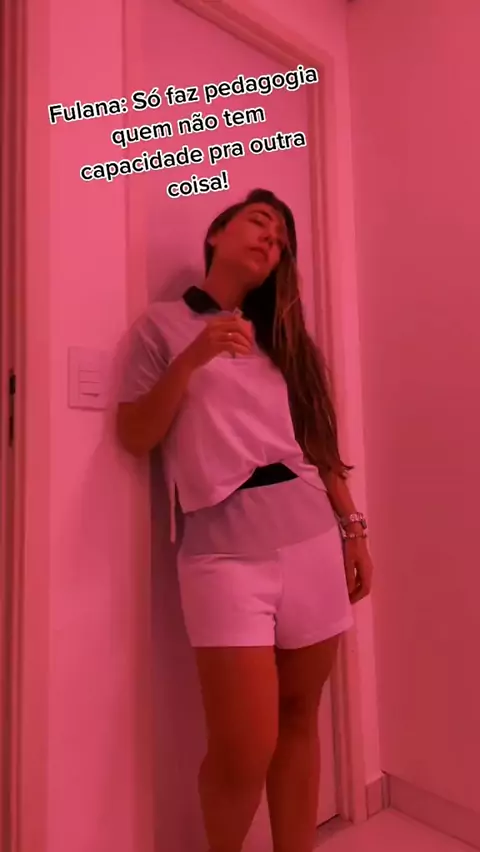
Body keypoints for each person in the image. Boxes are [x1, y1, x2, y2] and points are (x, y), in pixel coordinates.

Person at [116, 188, 374, 852]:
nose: (272, 239)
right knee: (242, 747)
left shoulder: (283, 338)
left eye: (282, 239)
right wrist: (193, 358)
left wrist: (353, 530)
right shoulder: (160, 327)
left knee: (300, 720)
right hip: (222, 550)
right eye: (261, 223)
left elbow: (315, 441)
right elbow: (136, 434)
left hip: (309, 533)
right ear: (217, 233)